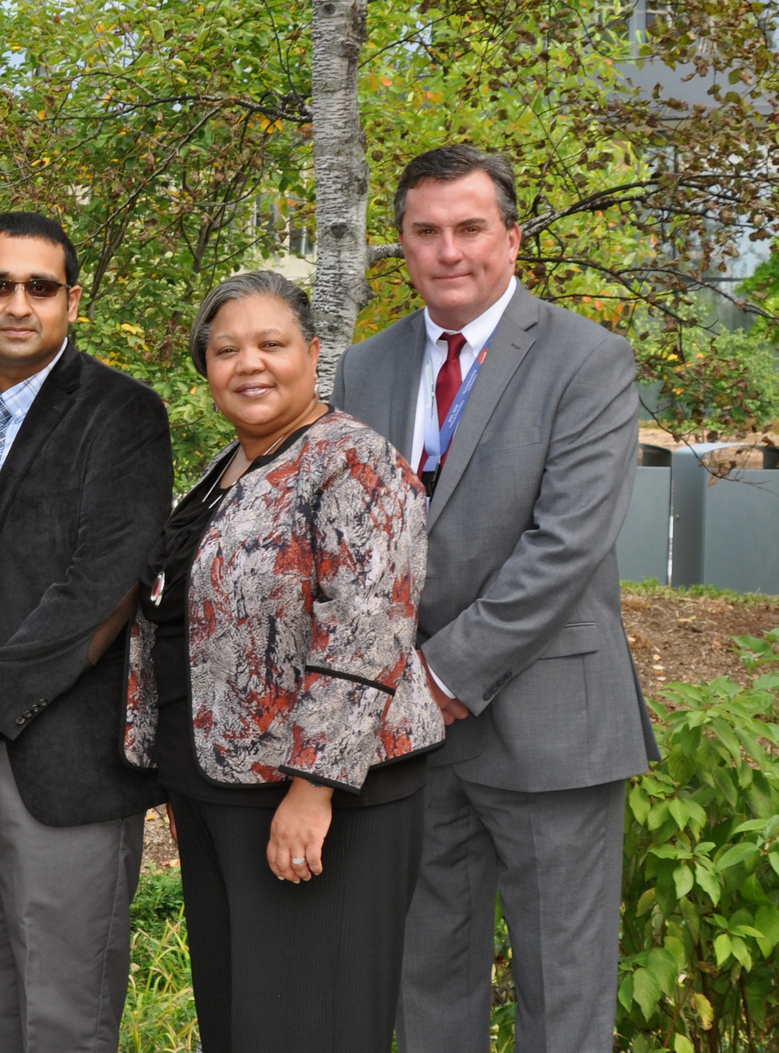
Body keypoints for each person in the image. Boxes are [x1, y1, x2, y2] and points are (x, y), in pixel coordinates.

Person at [333, 145, 658, 1053]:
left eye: (471, 228)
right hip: (405, 741)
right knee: (425, 981)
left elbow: (565, 548)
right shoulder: (365, 369)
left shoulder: (589, 360)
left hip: (549, 725)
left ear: (512, 239)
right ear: (400, 245)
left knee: (565, 991)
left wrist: (436, 682)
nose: (449, 251)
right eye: (425, 232)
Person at [125, 270, 445, 1053]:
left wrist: (313, 789)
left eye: (271, 344)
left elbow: (367, 630)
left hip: (315, 801)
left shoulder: (353, 462)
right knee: (242, 1024)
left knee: (310, 1027)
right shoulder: (228, 467)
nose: (250, 364)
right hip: (218, 787)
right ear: (206, 370)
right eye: (227, 350)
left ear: (312, 353)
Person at [0, 212, 172, 1053]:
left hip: (62, 760)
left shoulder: (123, 413)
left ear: (72, 301)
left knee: (64, 1008)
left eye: (40, 286)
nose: (18, 304)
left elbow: (102, 583)